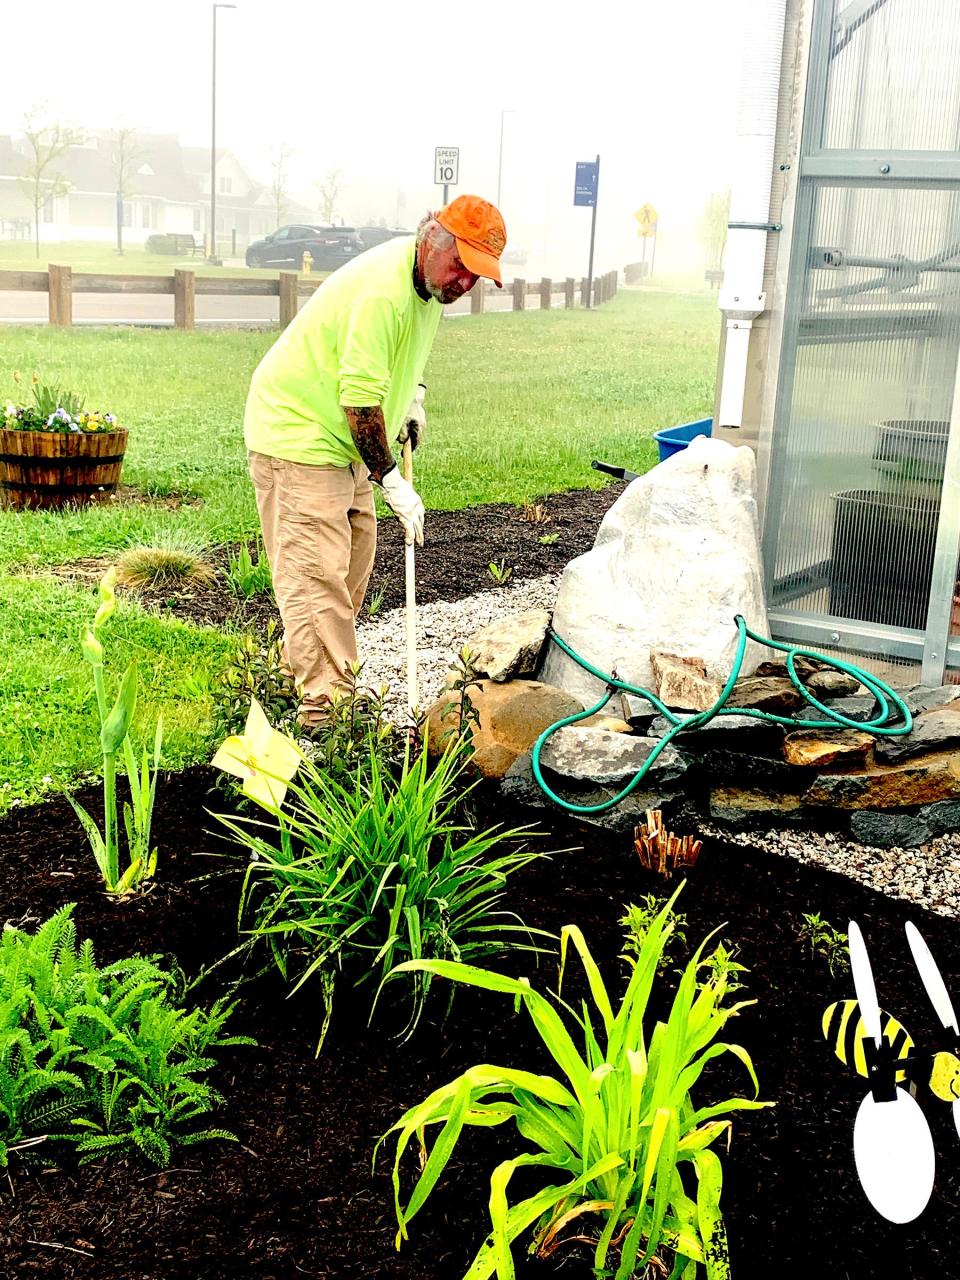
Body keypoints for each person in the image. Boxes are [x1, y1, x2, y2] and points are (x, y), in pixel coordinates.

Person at [244, 194, 507, 728]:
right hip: (299, 434)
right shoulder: (382, 294)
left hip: (345, 441)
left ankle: (319, 674)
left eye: (476, 274)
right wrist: (392, 480)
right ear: (432, 238)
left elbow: (397, 361)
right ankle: (326, 716)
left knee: (350, 569)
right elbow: (358, 402)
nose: (463, 283)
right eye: (461, 265)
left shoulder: (428, 288)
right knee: (317, 577)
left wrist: (412, 395)